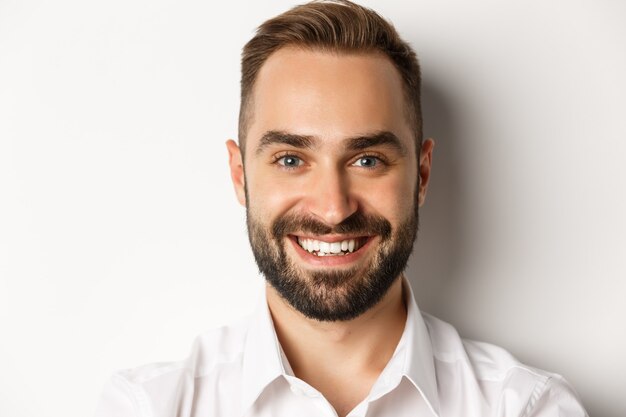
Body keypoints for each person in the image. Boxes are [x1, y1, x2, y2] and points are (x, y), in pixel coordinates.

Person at [96, 1, 588, 416]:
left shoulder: (525, 408)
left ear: (421, 174)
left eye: (367, 159)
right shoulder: (148, 406)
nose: (333, 209)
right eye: (291, 159)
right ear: (240, 175)